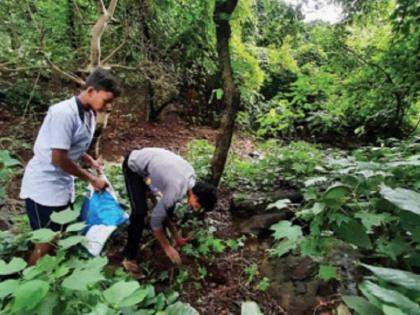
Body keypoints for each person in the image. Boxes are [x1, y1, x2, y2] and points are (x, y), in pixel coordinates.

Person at [20, 68, 121, 265]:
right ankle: (28, 281)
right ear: (91, 91)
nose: (108, 107)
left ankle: (49, 278)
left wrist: (88, 160)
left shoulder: (89, 114)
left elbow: (72, 146)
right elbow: (59, 158)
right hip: (44, 187)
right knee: (46, 242)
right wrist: (91, 179)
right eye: (106, 101)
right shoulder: (63, 113)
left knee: (58, 235)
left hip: (62, 186)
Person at [121, 148, 217, 272]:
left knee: (169, 206)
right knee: (139, 213)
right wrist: (167, 248)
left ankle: (164, 235)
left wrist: (176, 237)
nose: (194, 208)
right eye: (197, 206)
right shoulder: (175, 187)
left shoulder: (190, 176)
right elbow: (155, 222)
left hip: (150, 169)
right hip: (134, 165)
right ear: (194, 196)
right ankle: (129, 257)